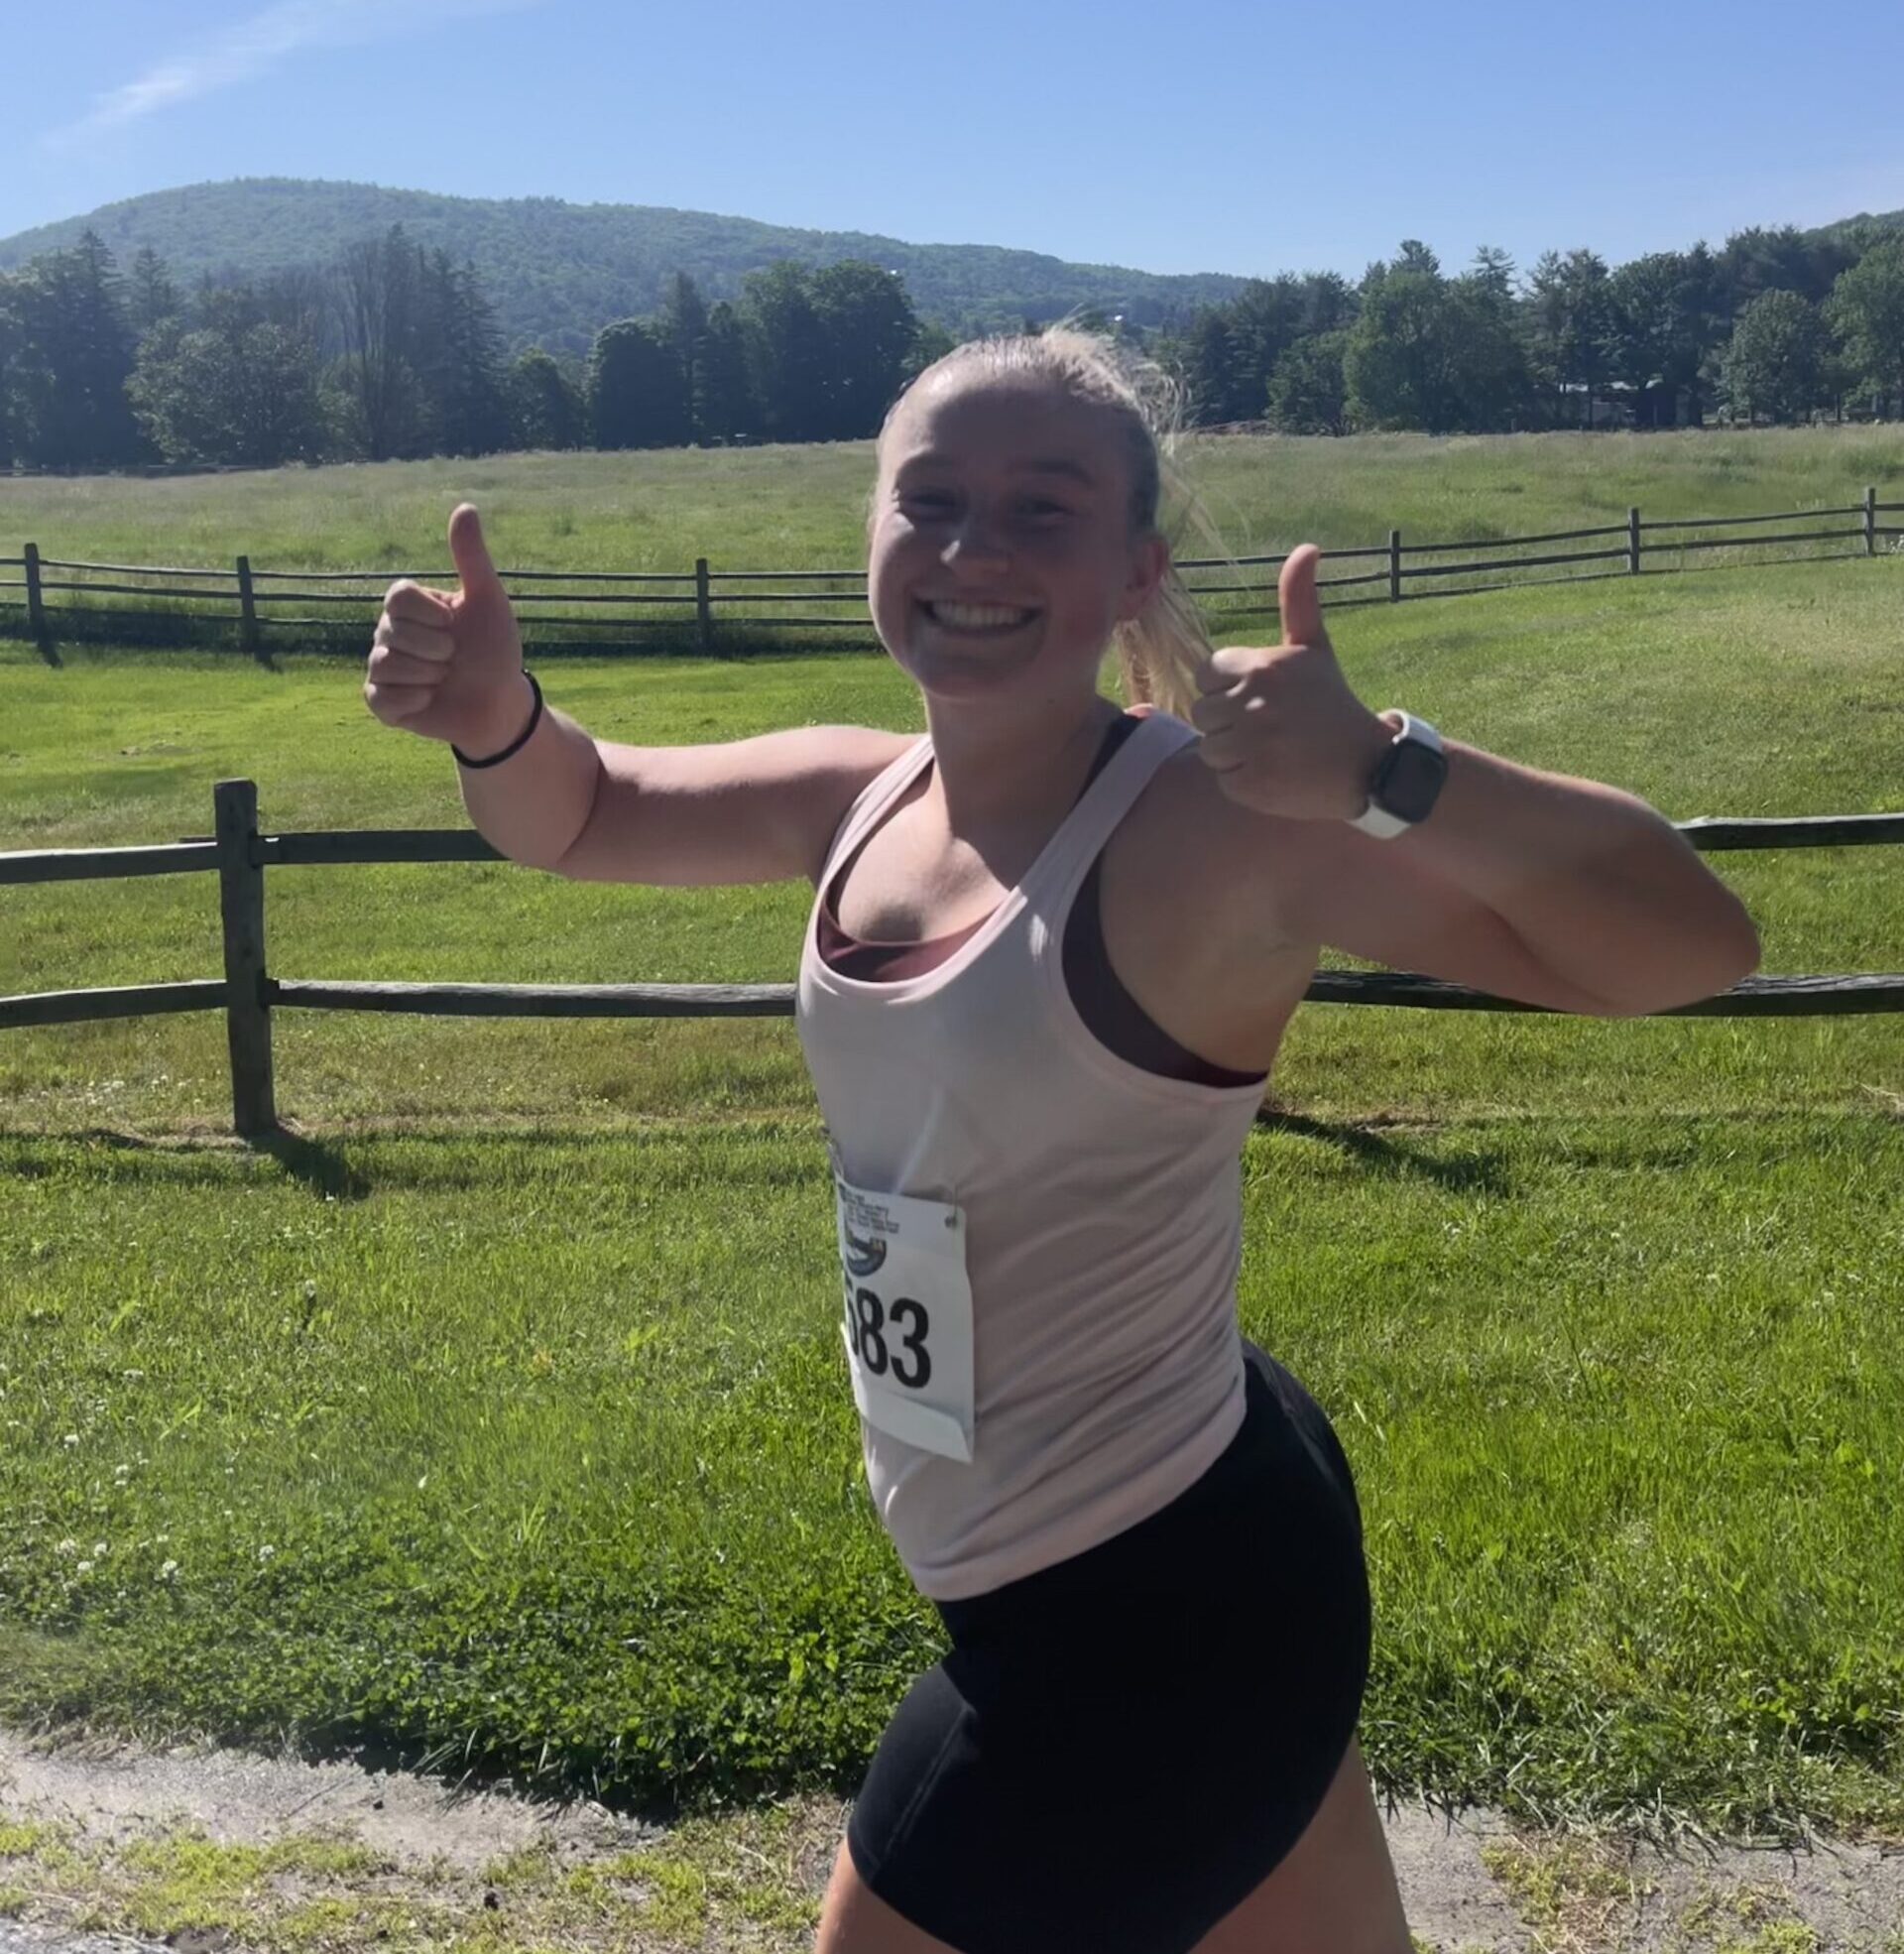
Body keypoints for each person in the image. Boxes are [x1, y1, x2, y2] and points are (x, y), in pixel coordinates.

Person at [363, 327, 1761, 1954]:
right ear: (873, 531)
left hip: (1142, 1605)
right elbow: (580, 813)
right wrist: (496, 718)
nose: (975, 548)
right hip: (1200, 1519)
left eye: (1045, 508)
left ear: (1135, 568)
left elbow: (1688, 947)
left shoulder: (1222, 832)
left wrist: (1389, 771)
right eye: (933, 497)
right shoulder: (856, 794)